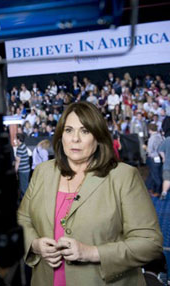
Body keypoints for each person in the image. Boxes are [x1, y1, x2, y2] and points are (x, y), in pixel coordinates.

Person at [18, 101, 163, 286]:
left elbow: (150, 243)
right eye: (69, 130)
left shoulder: (123, 176)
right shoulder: (42, 172)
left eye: (85, 131)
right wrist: (35, 244)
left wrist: (91, 253)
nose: (75, 139)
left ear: (98, 137)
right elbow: (22, 219)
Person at [15, 133, 31, 200]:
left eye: (16, 139)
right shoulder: (24, 145)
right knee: (26, 186)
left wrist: (15, 170)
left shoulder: (19, 148)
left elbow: (17, 162)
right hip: (27, 169)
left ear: (19, 140)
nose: (15, 141)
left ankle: (25, 203)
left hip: (23, 170)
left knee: (23, 188)